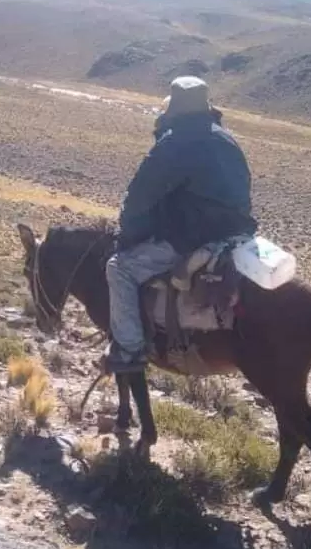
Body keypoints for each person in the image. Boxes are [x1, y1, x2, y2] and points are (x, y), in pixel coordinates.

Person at [105, 75, 258, 373]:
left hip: (192, 237)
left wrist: (128, 233)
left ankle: (129, 350)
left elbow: (139, 198)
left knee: (118, 268)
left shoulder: (174, 143)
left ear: (174, 111)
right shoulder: (226, 139)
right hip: (237, 235)